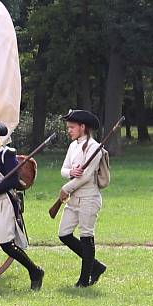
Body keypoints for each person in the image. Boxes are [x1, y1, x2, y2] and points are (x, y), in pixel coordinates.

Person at [0, 117, 44, 293]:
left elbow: (12, 181)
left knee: (7, 246)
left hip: (2, 203)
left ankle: (35, 271)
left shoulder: (7, 154)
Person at [57, 109, 107, 287]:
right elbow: (64, 169)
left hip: (89, 198)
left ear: (82, 127)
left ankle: (84, 280)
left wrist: (65, 188)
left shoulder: (94, 148)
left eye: (72, 127)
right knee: (63, 234)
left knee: (86, 235)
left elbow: (85, 177)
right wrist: (70, 172)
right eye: (68, 127)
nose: (69, 130)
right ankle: (96, 266)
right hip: (73, 199)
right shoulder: (73, 146)